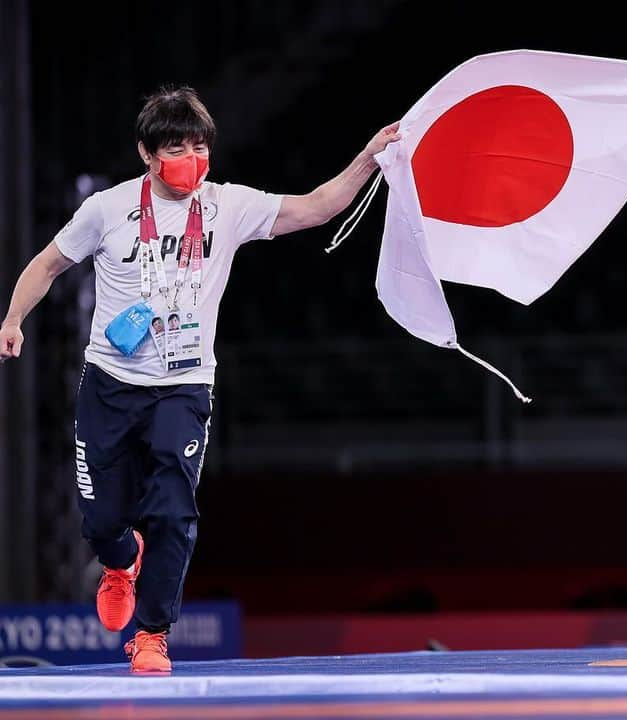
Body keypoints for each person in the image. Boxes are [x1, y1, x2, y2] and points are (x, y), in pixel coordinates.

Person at [0, 85, 400, 672]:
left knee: (173, 511)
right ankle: (120, 561)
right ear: (146, 152)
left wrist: (369, 157)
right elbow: (49, 263)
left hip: (184, 386)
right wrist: (12, 318)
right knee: (103, 521)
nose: (189, 157)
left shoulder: (227, 206)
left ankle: (153, 633)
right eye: (175, 147)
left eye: (197, 145)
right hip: (110, 382)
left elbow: (315, 206)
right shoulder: (107, 210)